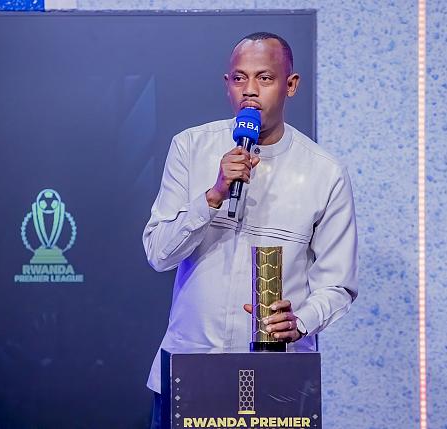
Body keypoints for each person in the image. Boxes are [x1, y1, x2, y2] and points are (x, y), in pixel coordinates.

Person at [143, 32, 358, 429]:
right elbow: (159, 253)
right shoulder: (190, 147)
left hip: (278, 383)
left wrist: (301, 321)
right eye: (240, 78)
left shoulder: (325, 172)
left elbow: (337, 284)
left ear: (290, 85)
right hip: (190, 372)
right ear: (227, 84)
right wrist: (212, 196)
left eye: (265, 78)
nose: (250, 90)